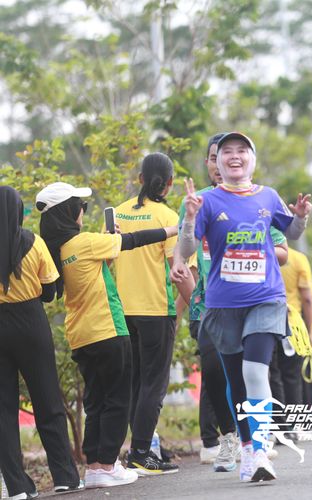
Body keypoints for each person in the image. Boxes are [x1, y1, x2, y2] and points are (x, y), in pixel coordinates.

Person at [172, 131, 297, 483]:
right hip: (218, 303)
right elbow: (184, 248)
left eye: (242, 150)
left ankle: (259, 450)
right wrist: (189, 221)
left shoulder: (267, 197)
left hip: (265, 298)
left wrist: (270, 239)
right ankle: (241, 442)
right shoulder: (200, 201)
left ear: (252, 159)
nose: (233, 157)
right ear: (213, 162)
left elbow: (288, 241)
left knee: (255, 372)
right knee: (230, 379)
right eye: (225, 152)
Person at [37, 181, 178, 487]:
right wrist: (171, 230)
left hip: (80, 335)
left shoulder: (57, 250)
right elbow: (133, 240)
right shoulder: (86, 242)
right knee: (117, 400)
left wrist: (110, 243)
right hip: (108, 329)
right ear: (69, 212)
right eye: (80, 207)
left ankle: (95, 467)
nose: (83, 212)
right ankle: (108, 465)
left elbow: (99, 263)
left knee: (96, 403)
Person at [0, 186, 82, 499]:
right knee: (47, 400)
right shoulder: (33, 242)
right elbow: (49, 292)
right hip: (30, 323)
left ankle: (17, 487)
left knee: (3, 409)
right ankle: (65, 477)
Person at [110, 153, 181, 475]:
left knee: (136, 384)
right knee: (153, 385)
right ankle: (140, 453)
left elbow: (107, 257)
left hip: (122, 311)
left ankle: (143, 449)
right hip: (156, 309)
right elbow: (177, 269)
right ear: (169, 184)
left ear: (140, 179)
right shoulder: (168, 217)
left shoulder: (117, 213)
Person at [271, 246, 312, 438]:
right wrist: (309, 332)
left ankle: (278, 426)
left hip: (268, 321)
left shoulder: (262, 252)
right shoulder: (298, 259)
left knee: (273, 375)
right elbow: (307, 299)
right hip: (293, 324)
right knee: (292, 377)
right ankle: (294, 426)